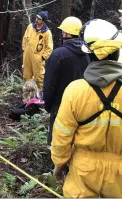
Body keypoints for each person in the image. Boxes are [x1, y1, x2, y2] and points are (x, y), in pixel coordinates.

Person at [51, 19, 122, 198]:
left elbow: (62, 136)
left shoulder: (75, 90)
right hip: (121, 173)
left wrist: (59, 165)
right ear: (118, 52)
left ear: (90, 55)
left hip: (83, 170)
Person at [43, 16, 90, 146]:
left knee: (56, 140)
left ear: (66, 33)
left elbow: (49, 85)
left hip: (60, 104)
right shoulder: (89, 54)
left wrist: (48, 105)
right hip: (82, 104)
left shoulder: (58, 55)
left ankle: (57, 164)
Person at [22, 11, 53, 90]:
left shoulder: (47, 33)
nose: (36, 19)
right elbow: (25, 38)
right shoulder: (30, 27)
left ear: (43, 21)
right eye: (36, 17)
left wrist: (42, 58)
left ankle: (41, 95)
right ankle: (28, 94)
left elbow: (49, 48)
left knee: (39, 78)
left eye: (39, 19)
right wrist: (24, 49)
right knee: (26, 76)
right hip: (27, 56)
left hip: (38, 58)